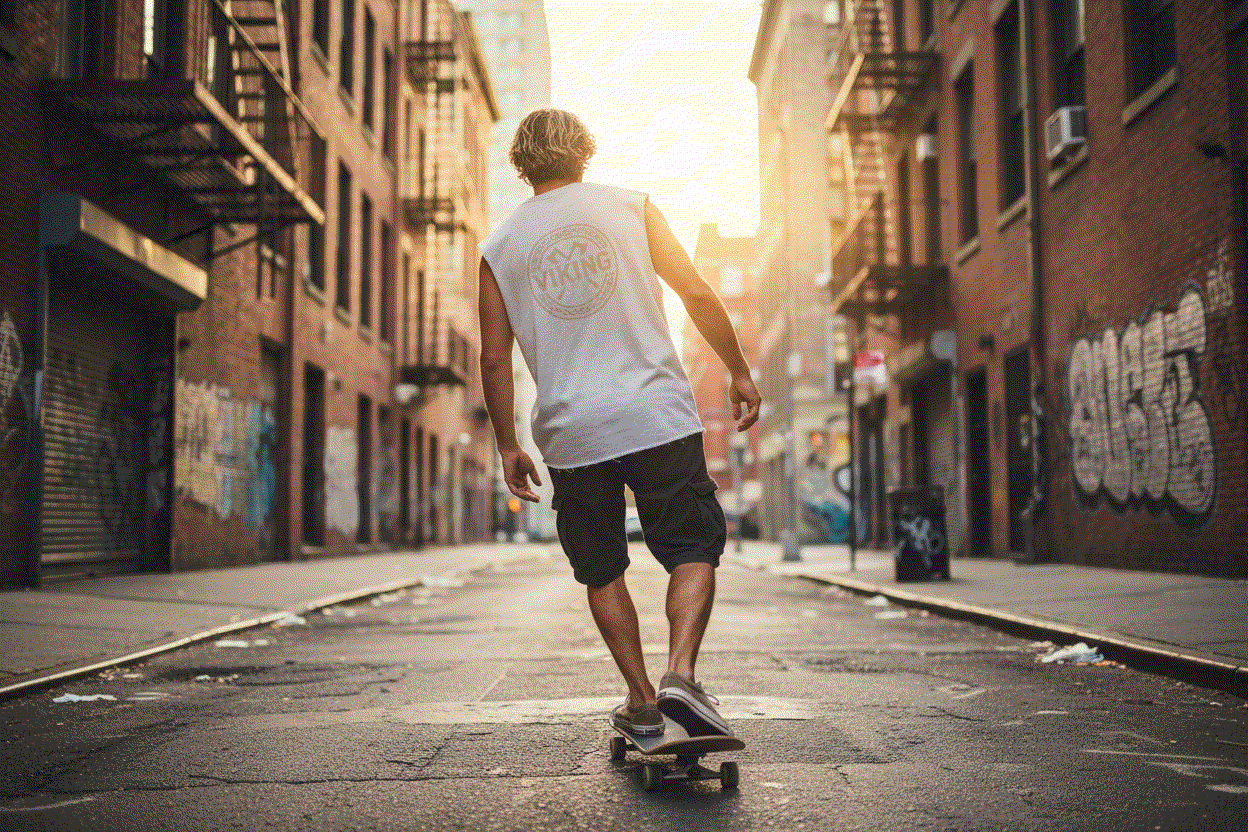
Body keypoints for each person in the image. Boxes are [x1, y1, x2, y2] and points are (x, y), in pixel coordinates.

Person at [477, 109, 761, 738]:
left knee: (601, 565)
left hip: (573, 433)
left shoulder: (500, 247)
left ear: (520, 166)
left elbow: (493, 354)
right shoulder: (630, 207)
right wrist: (738, 369)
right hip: (656, 414)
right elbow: (695, 291)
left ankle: (640, 700)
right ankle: (680, 674)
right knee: (692, 546)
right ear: (585, 152)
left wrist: (506, 444)